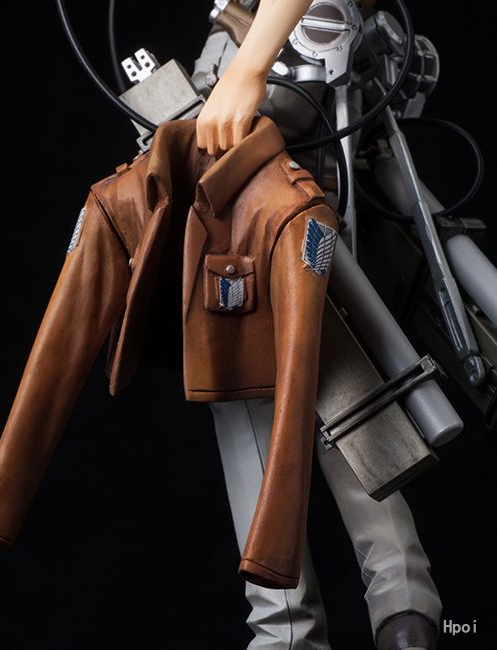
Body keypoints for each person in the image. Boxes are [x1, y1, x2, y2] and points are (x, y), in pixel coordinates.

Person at [194, 2, 441, 649]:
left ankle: (292, 630)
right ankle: (400, 601)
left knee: (269, 383)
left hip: (275, 178)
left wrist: (247, 67)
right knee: (317, 371)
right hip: (295, 197)